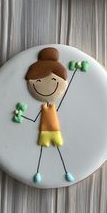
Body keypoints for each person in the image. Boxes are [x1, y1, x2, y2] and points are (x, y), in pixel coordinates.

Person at [13, 47, 80, 184]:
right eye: (37, 81)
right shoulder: (44, 107)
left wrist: (73, 75)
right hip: (44, 131)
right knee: (43, 150)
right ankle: (38, 171)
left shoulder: (52, 106)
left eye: (54, 80)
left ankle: (65, 171)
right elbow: (35, 119)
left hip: (54, 131)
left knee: (57, 148)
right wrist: (21, 115)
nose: (43, 85)